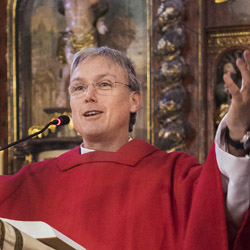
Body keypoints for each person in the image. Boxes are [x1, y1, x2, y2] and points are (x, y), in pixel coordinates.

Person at [0, 46, 250, 250]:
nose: (89, 96)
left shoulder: (177, 176)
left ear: (134, 100)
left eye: (104, 84)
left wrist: (237, 132)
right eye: (78, 88)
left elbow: (222, 215)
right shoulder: (31, 184)